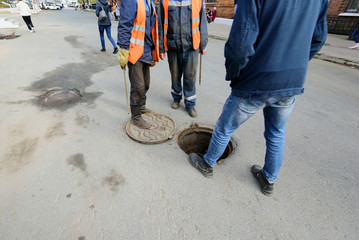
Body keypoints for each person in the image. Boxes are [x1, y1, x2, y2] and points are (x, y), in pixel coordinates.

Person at [188, 0, 328, 196]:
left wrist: (235, 75)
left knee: (224, 127)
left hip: (256, 80)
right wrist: (295, 65)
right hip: (291, 82)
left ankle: (207, 163)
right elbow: (319, 38)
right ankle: (268, 179)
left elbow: (240, 43)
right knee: (276, 132)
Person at [157, 0, 208, 118]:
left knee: (190, 77)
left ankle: (190, 104)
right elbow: (160, 24)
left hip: (191, 46)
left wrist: (203, 43)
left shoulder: (197, 1)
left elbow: (203, 22)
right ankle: (176, 98)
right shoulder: (165, 1)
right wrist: (161, 48)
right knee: (175, 75)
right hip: (173, 46)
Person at [117, 0, 159, 129]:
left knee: (146, 84)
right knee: (138, 86)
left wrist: (153, 51)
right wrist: (123, 49)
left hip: (146, 50)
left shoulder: (150, 3)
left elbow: (152, 29)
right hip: (134, 50)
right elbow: (125, 24)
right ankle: (135, 117)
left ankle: (141, 107)